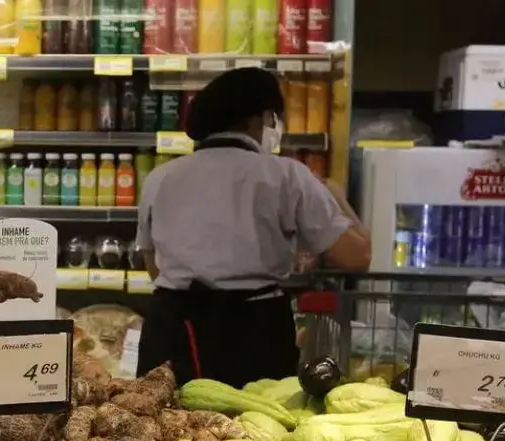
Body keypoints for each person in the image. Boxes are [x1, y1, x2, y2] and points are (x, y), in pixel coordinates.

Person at [134, 67, 370, 388]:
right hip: (254, 330)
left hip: (173, 328)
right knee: (256, 417)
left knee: (163, 415)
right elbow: (356, 257)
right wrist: (337, 195)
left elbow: (153, 264)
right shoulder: (286, 175)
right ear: (259, 118)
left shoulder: (160, 178)